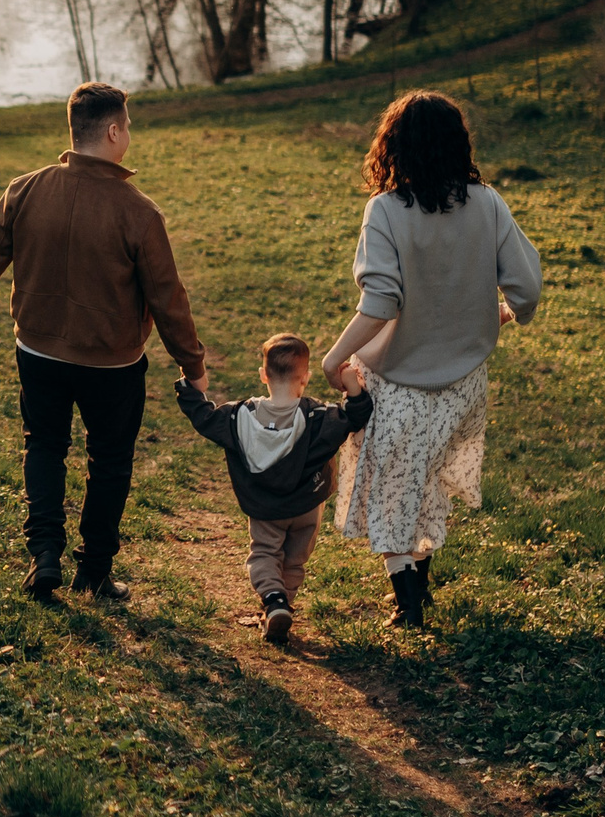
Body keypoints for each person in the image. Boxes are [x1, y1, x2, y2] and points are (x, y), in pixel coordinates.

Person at [0, 82, 206, 601]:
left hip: (38, 352)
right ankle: (95, 571)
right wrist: (192, 364)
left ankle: (44, 556)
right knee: (109, 461)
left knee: (43, 447)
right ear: (111, 131)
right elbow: (168, 296)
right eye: (127, 125)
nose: (129, 133)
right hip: (114, 365)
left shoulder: (26, 188)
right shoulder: (139, 212)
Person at [319, 90, 541, 630]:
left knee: (393, 487)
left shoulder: (387, 211)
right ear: (456, 143)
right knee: (428, 481)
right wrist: (501, 314)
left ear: (393, 146)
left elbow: (381, 303)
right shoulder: (487, 203)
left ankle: (409, 604)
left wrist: (334, 358)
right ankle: (419, 591)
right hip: (464, 384)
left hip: (398, 381)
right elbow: (527, 290)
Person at [175, 333, 372, 645]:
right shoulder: (319, 418)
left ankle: (274, 601)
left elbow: (203, 417)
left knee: (265, 552)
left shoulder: (239, 417)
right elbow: (355, 416)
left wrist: (188, 387)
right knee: (294, 560)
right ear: (305, 378)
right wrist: (353, 386)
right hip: (307, 506)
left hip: (265, 508)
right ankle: (283, 606)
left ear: (263, 375)